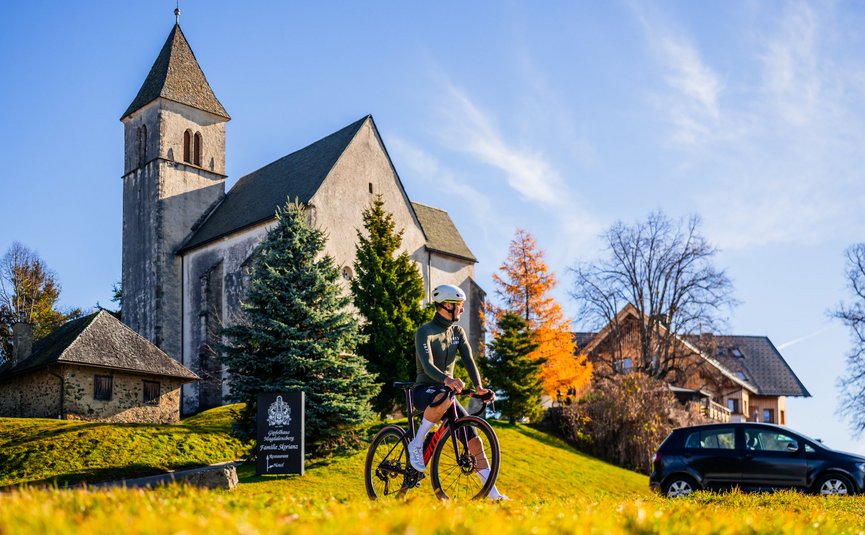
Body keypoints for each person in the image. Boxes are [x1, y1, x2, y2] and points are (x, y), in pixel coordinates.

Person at [407, 283, 508, 500]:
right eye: (459, 305)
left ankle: (492, 494)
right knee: (443, 396)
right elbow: (426, 365)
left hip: (447, 393)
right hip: (425, 390)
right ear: (446, 305)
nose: (462, 310)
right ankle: (416, 443)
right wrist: (447, 379)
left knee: (475, 441)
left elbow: (469, 360)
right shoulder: (425, 332)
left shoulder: (457, 332)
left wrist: (479, 387)